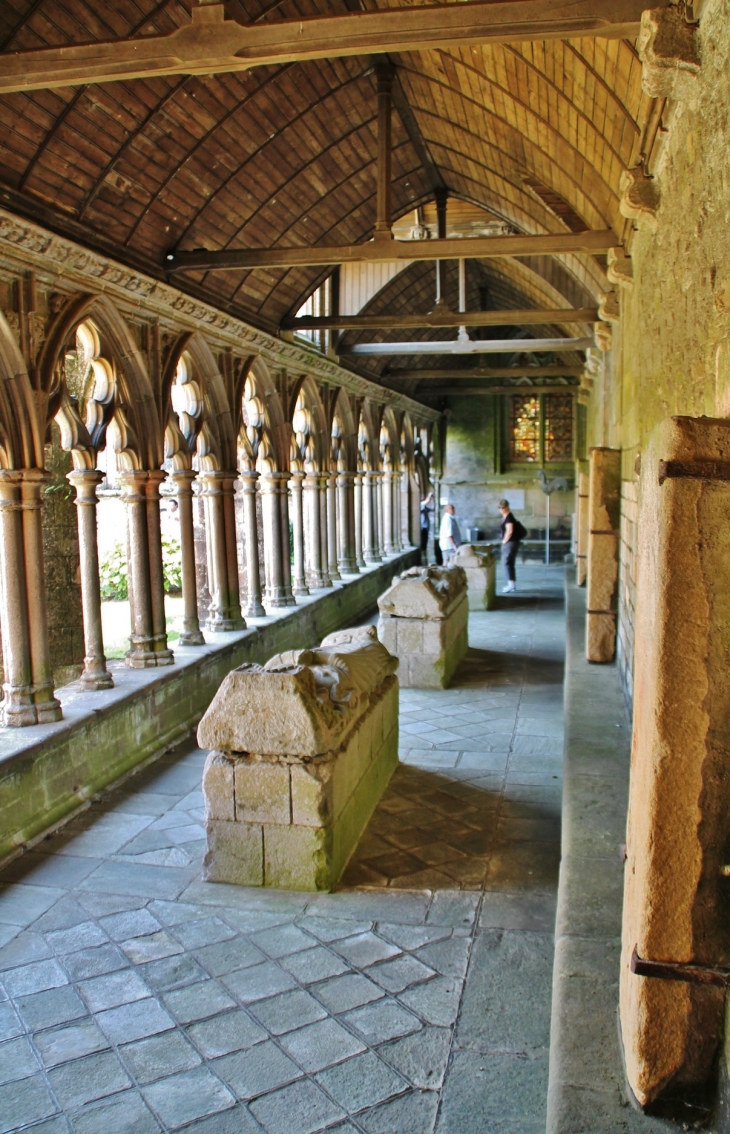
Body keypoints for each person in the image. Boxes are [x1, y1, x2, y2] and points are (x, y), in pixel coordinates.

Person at [499, 498, 522, 593]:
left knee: (506, 562)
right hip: (510, 542)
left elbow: (510, 531)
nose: (501, 509)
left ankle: (511, 584)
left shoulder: (509, 517)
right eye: (500, 507)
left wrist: (505, 541)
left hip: (510, 542)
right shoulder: (506, 517)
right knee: (509, 563)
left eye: (503, 507)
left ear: (507, 507)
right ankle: (511, 584)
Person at [419, 491, 434, 562]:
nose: (422, 496)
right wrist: (429, 495)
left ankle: (424, 555)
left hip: (425, 527)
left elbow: (433, 508)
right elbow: (427, 501)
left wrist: (433, 500)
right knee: (423, 542)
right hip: (422, 528)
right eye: (421, 495)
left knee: (425, 542)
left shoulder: (424, 506)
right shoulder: (420, 504)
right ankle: (422, 556)